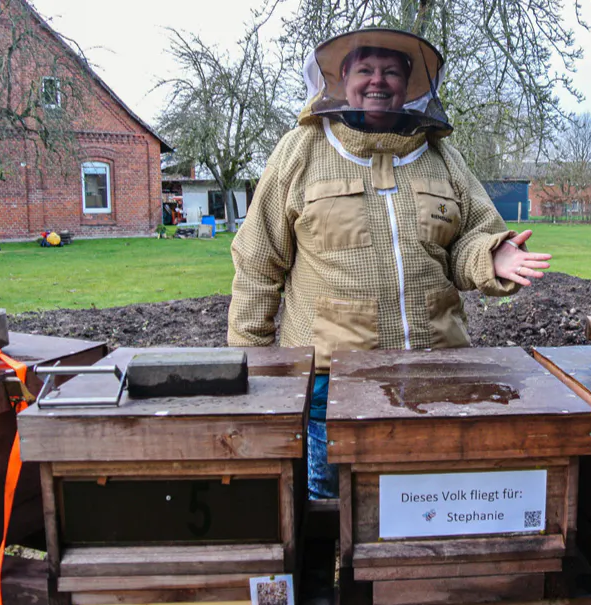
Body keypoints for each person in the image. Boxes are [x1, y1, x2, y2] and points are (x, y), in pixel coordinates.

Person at [227, 29, 551, 499]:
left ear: (410, 84)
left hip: (439, 376)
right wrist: (253, 376)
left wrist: (491, 256)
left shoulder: (442, 156)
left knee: (423, 511)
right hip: (329, 385)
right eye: (365, 70)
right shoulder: (301, 151)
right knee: (330, 518)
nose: (378, 81)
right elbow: (258, 264)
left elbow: (466, 243)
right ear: (341, 79)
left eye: (391, 72)